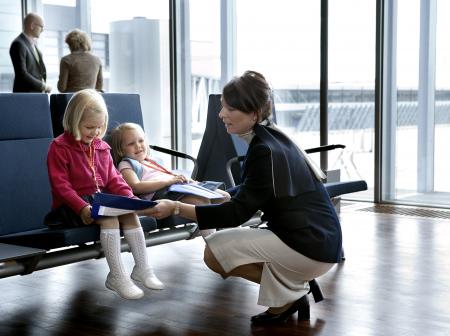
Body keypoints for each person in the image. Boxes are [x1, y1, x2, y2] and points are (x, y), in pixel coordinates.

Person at [146, 71, 342, 324]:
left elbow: (236, 215)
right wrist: (225, 193)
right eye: (222, 107)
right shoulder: (275, 138)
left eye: (229, 108)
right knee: (226, 247)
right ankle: (290, 291)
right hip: (322, 242)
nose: (221, 115)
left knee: (214, 253)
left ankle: (290, 293)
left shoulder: (262, 150)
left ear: (254, 113)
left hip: (308, 245)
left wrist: (176, 207)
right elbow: (258, 188)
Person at [45, 89, 163, 300]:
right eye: (89, 127)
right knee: (109, 216)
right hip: (72, 208)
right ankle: (117, 276)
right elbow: (61, 186)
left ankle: (142, 268)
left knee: (129, 213)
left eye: (99, 127)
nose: (95, 132)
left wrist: (131, 199)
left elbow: (114, 179)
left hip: (98, 201)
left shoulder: (102, 147)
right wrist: (82, 207)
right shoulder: (59, 147)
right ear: (73, 121)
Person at [109, 122, 230, 236]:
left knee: (224, 197)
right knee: (202, 203)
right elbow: (135, 187)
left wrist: (190, 181)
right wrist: (169, 181)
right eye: (131, 144)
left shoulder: (152, 161)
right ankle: (215, 244)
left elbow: (169, 175)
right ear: (121, 150)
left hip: (179, 186)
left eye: (141, 140)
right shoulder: (127, 164)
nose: (138, 146)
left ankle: (227, 239)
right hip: (164, 192)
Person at [9, 13, 51, 93]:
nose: (42, 30)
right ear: (32, 26)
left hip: (35, 95)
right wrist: (43, 86)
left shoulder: (33, 46)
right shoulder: (18, 44)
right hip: (25, 96)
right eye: (41, 27)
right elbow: (22, 74)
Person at [57, 28, 103, 93]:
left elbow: (62, 88)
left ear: (71, 44)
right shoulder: (97, 60)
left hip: (71, 99)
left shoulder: (66, 60)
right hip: (90, 98)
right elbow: (99, 87)